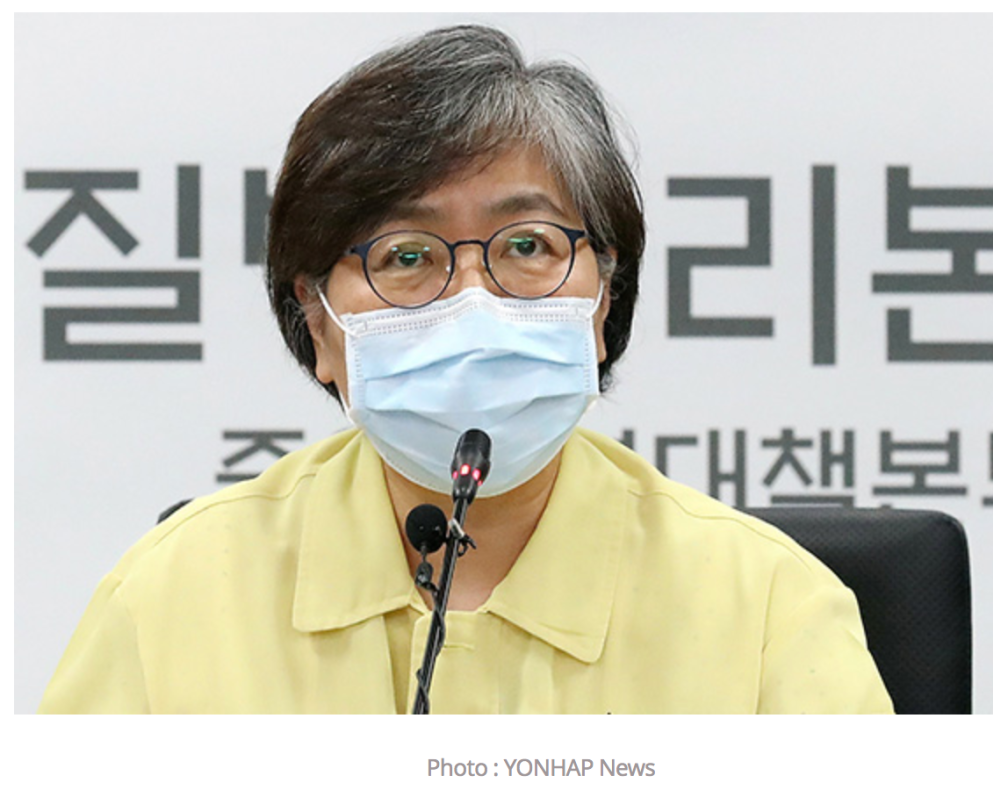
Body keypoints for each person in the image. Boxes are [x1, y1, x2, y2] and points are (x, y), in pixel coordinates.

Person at [39, 25, 892, 714]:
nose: (474, 302)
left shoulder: (769, 610)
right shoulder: (174, 598)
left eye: (529, 246)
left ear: (603, 300)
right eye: (407, 256)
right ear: (319, 321)